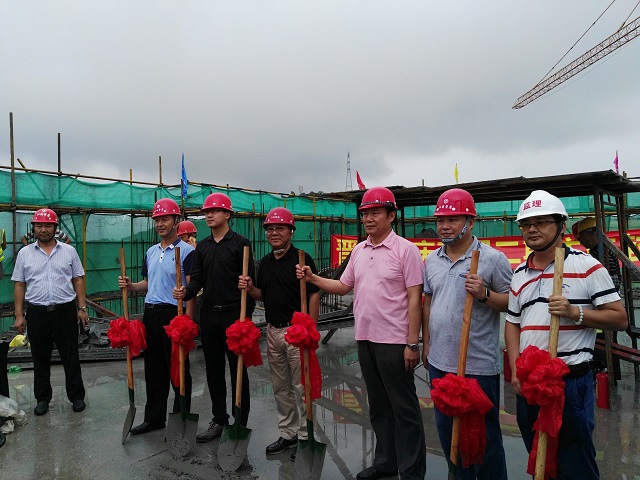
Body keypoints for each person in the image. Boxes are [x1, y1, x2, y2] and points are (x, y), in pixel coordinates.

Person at [297, 186, 426, 480]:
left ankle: (412, 472)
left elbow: (414, 299)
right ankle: (386, 462)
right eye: (365, 214)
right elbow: (344, 287)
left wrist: (412, 343)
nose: (368, 218)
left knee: (404, 408)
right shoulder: (359, 250)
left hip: (394, 342)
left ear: (391, 216)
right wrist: (313, 278)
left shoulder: (405, 250)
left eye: (375, 213)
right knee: (378, 405)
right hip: (365, 338)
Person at [505, 190, 627, 479]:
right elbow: (512, 323)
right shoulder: (519, 273)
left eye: (541, 222)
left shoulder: (586, 266)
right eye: (526, 224)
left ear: (561, 225)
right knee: (539, 459)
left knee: (575, 461)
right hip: (531, 383)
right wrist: (514, 368)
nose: (532, 229)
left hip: (569, 382)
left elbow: (619, 318)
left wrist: (575, 313)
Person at [422, 188, 511, 480]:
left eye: (453, 219)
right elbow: (428, 302)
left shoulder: (492, 259)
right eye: (440, 220)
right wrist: (426, 344)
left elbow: (512, 303)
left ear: (470, 222)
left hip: (477, 366)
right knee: (450, 436)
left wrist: (485, 294)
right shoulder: (432, 260)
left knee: (484, 440)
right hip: (440, 363)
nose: (444, 226)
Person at [173, 192, 256, 443]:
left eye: (215, 211)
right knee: (214, 371)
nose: (209, 215)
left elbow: (250, 284)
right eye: (207, 211)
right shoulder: (203, 247)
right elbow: (197, 279)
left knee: (238, 371)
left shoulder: (241, 244)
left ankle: (240, 422)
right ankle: (219, 419)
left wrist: (246, 317)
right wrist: (186, 292)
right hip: (209, 315)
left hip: (234, 315)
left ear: (227, 215)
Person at [239, 207, 320, 460]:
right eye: (270, 229)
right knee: (280, 387)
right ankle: (288, 433)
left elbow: (314, 294)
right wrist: (250, 288)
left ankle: (306, 436)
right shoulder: (264, 262)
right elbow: (263, 295)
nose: (274, 233)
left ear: (290, 231)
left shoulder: (302, 259)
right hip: (273, 331)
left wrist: (310, 329)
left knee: (302, 387)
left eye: (280, 228)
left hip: (296, 332)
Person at [118, 198, 195, 434]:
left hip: (174, 315)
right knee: (153, 369)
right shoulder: (151, 252)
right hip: (151, 313)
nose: (160, 224)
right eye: (157, 220)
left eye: (165, 219)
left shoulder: (187, 252)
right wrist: (131, 286)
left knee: (178, 368)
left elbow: (192, 289)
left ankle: (180, 417)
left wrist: (188, 320)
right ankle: (154, 418)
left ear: (176, 221)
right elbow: (147, 283)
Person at [11, 208, 88, 416]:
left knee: (70, 355)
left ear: (55, 228)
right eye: (39, 226)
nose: (43, 229)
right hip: (37, 313)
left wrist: (81, 308)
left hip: (65, 311)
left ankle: (77, 396)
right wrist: (19, 315)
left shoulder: (69, 251)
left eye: (47, 225)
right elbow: (19, 284)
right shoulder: (25, 254)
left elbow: (78, 279)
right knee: (40, 357)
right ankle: (43, 398)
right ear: (34, 228)